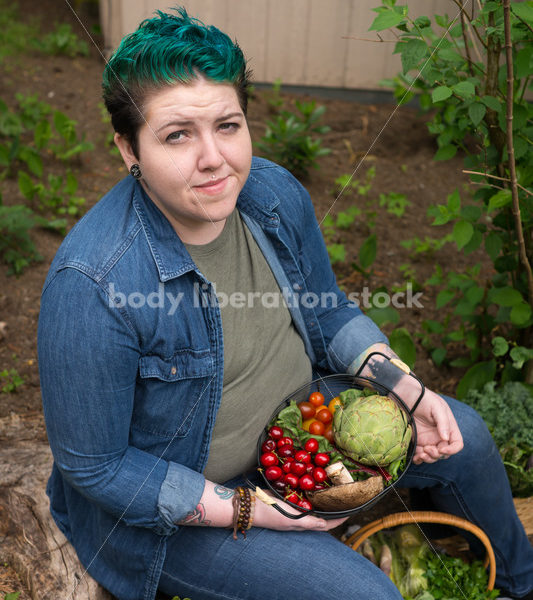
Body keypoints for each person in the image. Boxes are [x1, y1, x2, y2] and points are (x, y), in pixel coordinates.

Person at [37, 7, 533, 600]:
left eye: (228, 125)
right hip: (184, 507)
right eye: (177, 134)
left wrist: (400, 384)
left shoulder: (271, 194)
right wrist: (247, 509)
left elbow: (325, 312)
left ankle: (521, 586)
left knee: (468, 436)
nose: (214, 158)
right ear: (128, 148)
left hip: (306, 437)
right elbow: (97, 467)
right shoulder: (94, 283)